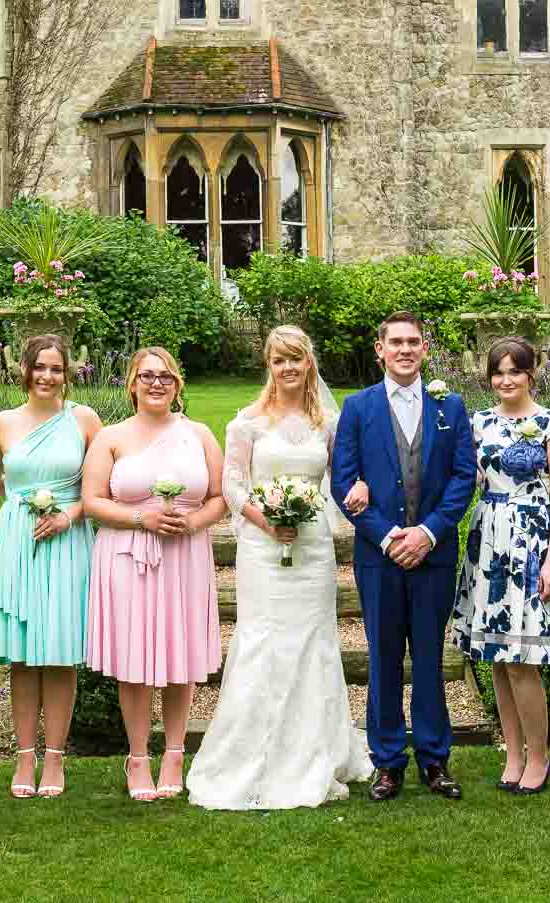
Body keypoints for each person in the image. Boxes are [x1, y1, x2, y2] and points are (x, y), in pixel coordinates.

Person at [189, 325, 373, 810]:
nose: (288, 367)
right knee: (262, 640)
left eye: (296, 359)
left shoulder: (327, 423)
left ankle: (317, 750)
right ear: (268, 366)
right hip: (262, 549)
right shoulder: (246, 422)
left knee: (313, 641)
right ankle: (254, 753)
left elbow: (343, 477)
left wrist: (359, 490)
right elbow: (233, 484)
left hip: (312, 549)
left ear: (308, 363)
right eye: (279, 360)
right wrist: (267, 521)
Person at [329, 311, 474, 802]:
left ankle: (435, 760)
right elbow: (344, 481)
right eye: (396, 342)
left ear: (425, 349)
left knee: (430, 657)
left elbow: (462, 478)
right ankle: (387, 761)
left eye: (414, 342)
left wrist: (428, 534)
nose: (405, 350)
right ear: (380, 350)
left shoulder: (449, 406)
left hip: (433, 557)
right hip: (379, 558)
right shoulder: (358, 407)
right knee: (384, 658)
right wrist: (391, 536)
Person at [82, 345, 225, 801]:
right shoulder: (111, 437)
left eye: (165, 376)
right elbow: (93, 502)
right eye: (147, 376)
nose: (156, 383)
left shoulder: (199, 434)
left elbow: (220, 496)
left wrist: (194, 522)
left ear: (177, 385)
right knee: (135, 659)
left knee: (180, 657)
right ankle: (138, 755)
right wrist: (142, 519)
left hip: (185, 554)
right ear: (132, 384)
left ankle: (176, 753)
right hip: (128, 554)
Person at [0, 334, 101, 800]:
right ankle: (24, 755)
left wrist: (69, 516)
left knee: (60, 653)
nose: (47, 377)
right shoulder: (2, 424)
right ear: (24, 371)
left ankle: (55, 758)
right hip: (16, 540)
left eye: (56, 369)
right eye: (39, 368)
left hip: (68, 542)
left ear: (68, 373)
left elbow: (99, 489)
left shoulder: (84, 420)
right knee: (23, 656)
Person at [449, 336, 550, 795]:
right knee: (497, 658)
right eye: (498, 372)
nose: (506, 380)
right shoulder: (478, 422)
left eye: (515, 371)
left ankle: (540, 758)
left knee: (523, 659)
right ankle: (513, 752)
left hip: (532, 536)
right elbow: (469, 477)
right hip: (489, 537)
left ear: (531, 374)